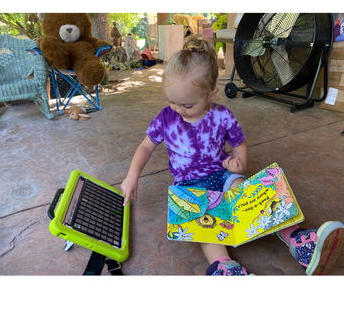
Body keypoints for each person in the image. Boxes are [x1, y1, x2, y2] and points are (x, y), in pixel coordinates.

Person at [121, 35, 344, 276]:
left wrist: (240, 167)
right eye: (172, 102)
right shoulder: (166, 117)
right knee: (204, 223)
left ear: (211, 94)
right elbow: (145, 146)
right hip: (189, 186)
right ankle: (225, 267)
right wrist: (132, 176)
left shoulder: (223, 116)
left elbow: (239, 142)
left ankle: (299, 241)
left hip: (222, 174)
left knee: (250, 194)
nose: (179, 110)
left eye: (187, 105)